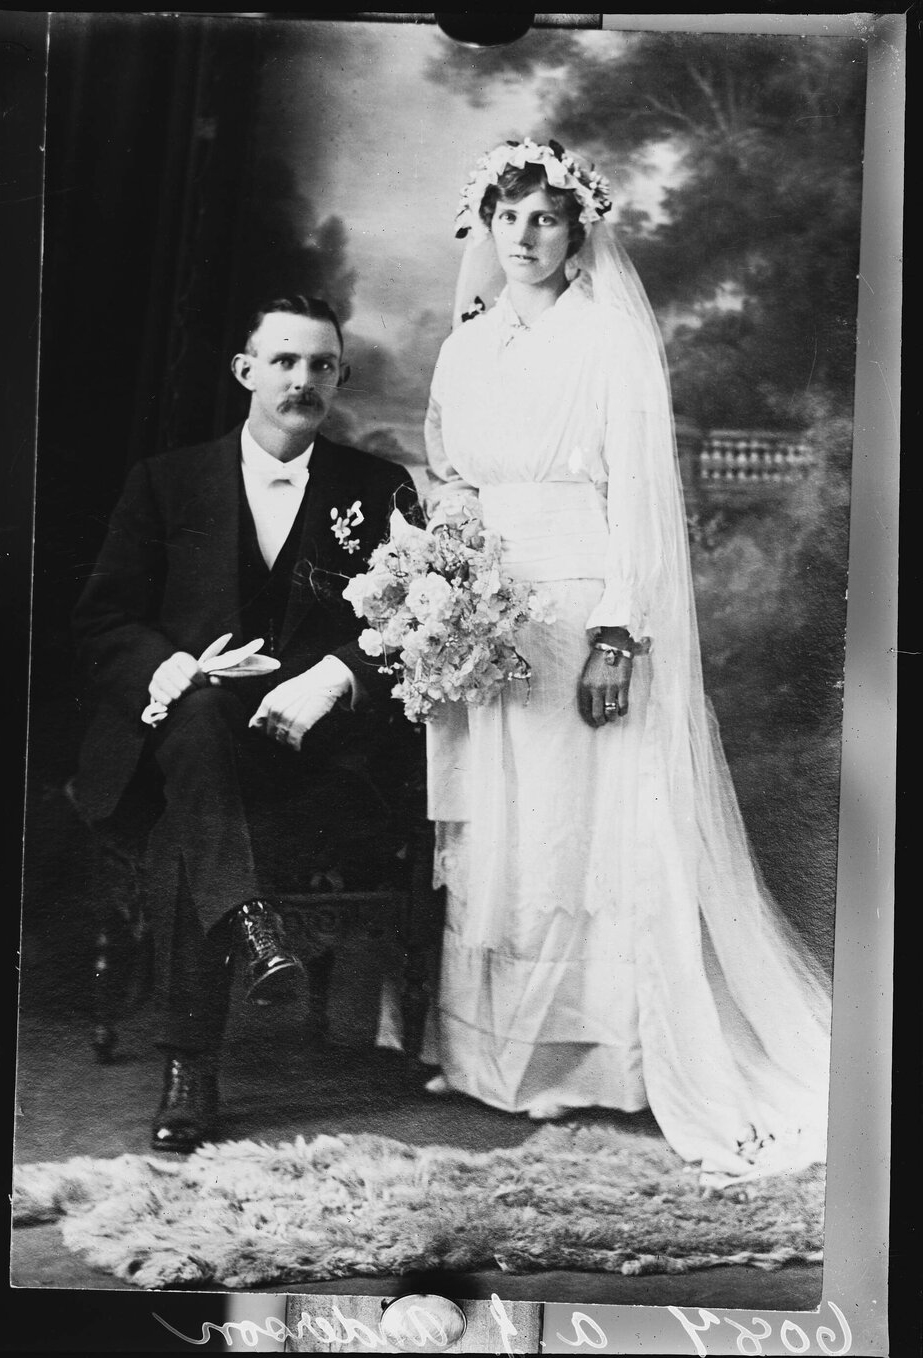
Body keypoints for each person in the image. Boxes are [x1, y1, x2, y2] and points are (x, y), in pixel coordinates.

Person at [420, 138, 831, 1185]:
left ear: (577, 231)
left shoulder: (608, 340)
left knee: (577, 828)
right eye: (507, 215)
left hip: (578, 603)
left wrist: (617, 634)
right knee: (502, 825)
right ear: (485, 226)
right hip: (486, 616)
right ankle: (494, 1058)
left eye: (545, 218)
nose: (524, 236)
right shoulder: (465, 348)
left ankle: (597, 1060)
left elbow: (641, 499)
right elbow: (450, 474)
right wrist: (446, 593)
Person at [72, 295, 418, 1153]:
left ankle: (193, 1069)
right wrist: (177, 668)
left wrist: (338, 677)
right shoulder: (165, 481)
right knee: (195, 731)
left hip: (318, 754)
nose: (304, 381)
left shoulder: (377, 489)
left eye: (323, 366)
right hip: (180, 738)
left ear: (338, 376)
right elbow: (104, 623)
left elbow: (416, 629)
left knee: (202, 810)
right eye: (286, 362)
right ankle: (229, 979)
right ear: (246, 372)